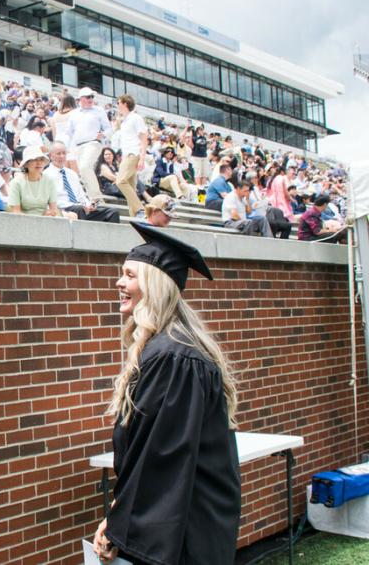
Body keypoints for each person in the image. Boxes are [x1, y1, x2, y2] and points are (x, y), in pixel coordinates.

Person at [93, 222, 239, 565]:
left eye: (130, 275)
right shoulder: (167, 349)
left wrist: (120, 527)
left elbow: (162, 460)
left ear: (154, 285)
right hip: (177, 523)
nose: (119, 283)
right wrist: (118, 513)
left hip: (180, 533)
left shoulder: (174, 358)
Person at [44, 143, 120, 223]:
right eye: (58, 153)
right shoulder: (46, 175)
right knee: (79, 209)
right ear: (51, 155)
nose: (62, 156)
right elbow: (50, 200)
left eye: (64, 153)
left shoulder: (72, 173)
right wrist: (79, 206)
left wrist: (89, 205)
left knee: (113, 212)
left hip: (81, 208)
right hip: (64, 209)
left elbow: (81, 195)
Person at [64, 87, 111, 201]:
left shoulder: (99, 110)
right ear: (81, 99)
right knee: (83, 171)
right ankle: (93, 198)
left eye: (92, 96)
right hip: (78, 146)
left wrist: (103, 135)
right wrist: (65, 147)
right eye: (88, 96)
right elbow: (68, 133)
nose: (91, 99)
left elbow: (109, 129)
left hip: (93, 143)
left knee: (85, 167)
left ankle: (96, 197)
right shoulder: (74, 114)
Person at [7, 145, 66, 218]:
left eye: (41, 159)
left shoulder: (49, 181)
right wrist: (36, 219)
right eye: (34, 159)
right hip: (23, 222)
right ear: (26, 164)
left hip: (46, 220)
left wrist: (48, 215)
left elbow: (53, 210)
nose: (39, 163)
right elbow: (16, 212)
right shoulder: (16, 183)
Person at [114, 94, 147, 217]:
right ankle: (134, 217)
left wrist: (142, 158)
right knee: (131, 188)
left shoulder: (136, 118)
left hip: (134, 154)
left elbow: (144, 138)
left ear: (125, 104)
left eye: (119, 103)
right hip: (127, 155)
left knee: (120, 181)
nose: (117, 106)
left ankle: (140, 209)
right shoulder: (124, 121)